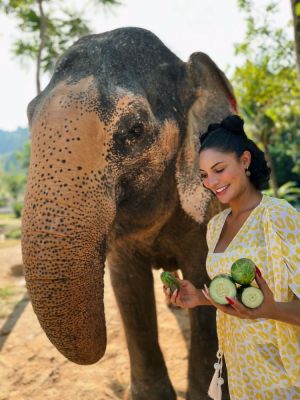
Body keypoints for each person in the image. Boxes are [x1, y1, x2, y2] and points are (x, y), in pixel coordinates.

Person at [164, 115, 300, 400]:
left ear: (245, 161)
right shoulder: (215, 227)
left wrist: (271, 309)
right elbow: (235, 301)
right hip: (241, 373)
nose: (211, 182)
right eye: (204, 175)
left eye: (219, 169)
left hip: (285, 377)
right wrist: (199, 298)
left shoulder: (277, 215)